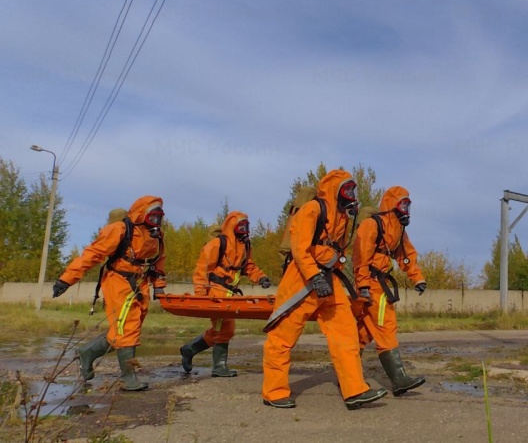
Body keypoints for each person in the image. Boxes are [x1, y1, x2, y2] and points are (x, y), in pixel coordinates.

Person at [262, 169, 387, 410]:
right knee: (282, 337)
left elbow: (338, 250)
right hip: (301, 280)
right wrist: (313, 276)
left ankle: (354, 390)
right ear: (334, 190)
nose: (351, 194)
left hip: (329, 279)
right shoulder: (313, 209)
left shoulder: (342, 217)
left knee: (346, 332)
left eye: (353, 190)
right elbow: (300, 248)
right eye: (347, 189)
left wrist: (326, 275)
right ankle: (273, 392)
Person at [52, 196, 166, 391]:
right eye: (153, 215)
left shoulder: (155, 235)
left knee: (127, 329)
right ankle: (129, 379)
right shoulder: (119, 230)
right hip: (119, 281)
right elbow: (92, 254)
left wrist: (159, 285)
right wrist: (66, 279)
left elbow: (157, 261)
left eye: (159, 216)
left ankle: (87, 352)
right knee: (126, 328)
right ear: (142, 214)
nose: (156, 220)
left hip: (140, 283)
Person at [351, 186, 427, 396]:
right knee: (386, 326)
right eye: (403, 204)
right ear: (392, 205)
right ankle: (399, 379)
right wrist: (364, 284)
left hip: (377, 284)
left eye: (408, 204)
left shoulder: (397, 230)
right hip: (373, 285)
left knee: (363, 333)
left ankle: (348, 376)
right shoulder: (372, 225)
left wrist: (417, 277)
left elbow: (406, 255)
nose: (406, 208)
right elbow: (360, 257)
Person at [180, 211, 271, 377]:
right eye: (241, 226)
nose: (245, 229)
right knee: (224, 328)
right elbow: (202, 269)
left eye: (247, 226)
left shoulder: (245, 245)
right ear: (233, 227)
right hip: (216, 291)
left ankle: (189, 350)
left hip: (229, 293)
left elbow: (248, 266)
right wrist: (201, 296)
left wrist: (261, 278)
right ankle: (218, 367)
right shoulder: (217, 244)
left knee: (222, 329)